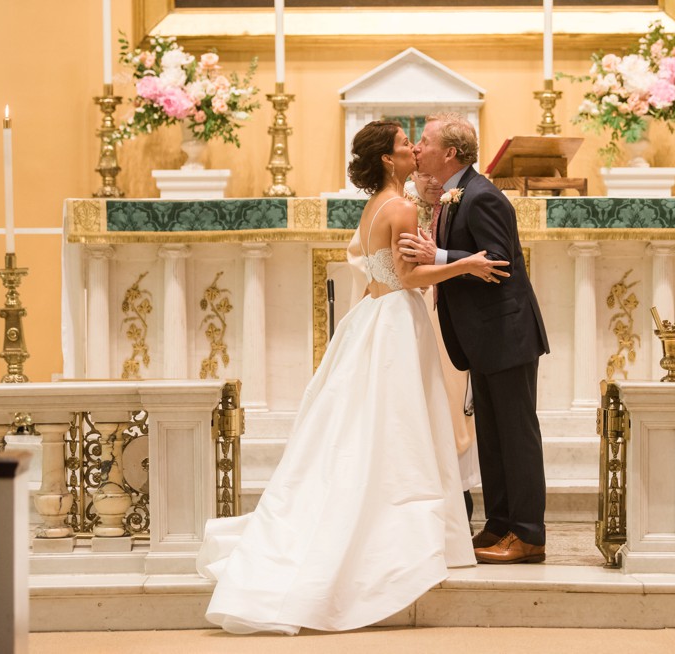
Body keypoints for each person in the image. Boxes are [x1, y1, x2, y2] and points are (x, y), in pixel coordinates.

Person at [196, 121, 509, 635]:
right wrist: (467, 264)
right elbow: (408, 276)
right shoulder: (402, 207)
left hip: (372, 317)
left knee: (370, 429)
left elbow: (383, 269)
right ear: (389, 160)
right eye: (404, 145)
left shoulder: (378, 205)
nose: (412, 149)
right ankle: (400, 537)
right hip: (395, 322)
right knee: (401, 429)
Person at [401, 112, 550, 564]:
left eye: (423, 142)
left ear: (449, 152)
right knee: (493, 434)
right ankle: (499, 524)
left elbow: (499, 262)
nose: (416, 149)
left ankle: (528, 534)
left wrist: (439, 254)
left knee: (517, 435)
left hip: (507, 333)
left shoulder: (484, 196)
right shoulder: (451, 195)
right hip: (483, 338)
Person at [404, 170, 482, 521]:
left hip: (450, 316)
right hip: (414, 313)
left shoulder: (461, 198)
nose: (433, 181)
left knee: (454, 402)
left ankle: (458, 492)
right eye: (424, 174)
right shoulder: (401, 205)